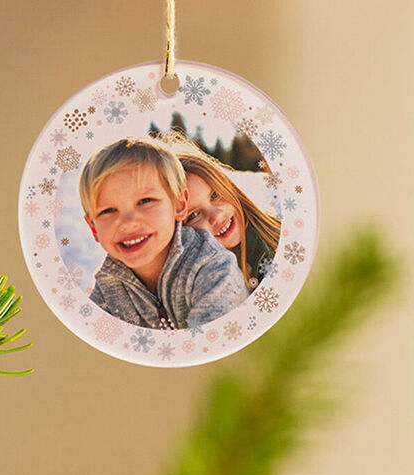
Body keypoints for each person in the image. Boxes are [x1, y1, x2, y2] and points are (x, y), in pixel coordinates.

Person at [79, 136, 246, 329]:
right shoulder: (107, 287)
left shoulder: (212, 267)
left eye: (145, 201)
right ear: (93, 228)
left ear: (179, 204)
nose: (128, 223)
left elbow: (212, 342)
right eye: (108, 211)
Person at [168, 132, 282, 291]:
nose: (216, 215)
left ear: (227, 186)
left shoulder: (279, 245)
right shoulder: (192, 284)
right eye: (193, 215)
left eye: (214, 195)